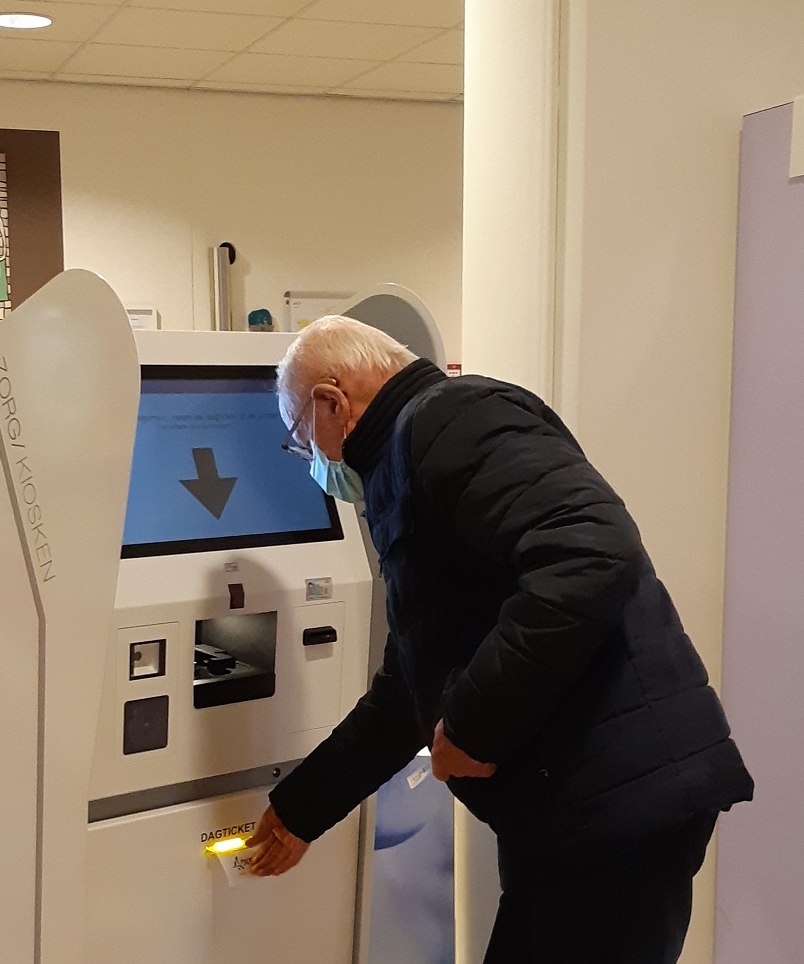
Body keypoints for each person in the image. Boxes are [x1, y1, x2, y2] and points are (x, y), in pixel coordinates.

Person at [248, 316, 754, 964]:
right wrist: (302, 808)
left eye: (301, 440)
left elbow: (590, 553)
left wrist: (472, 727)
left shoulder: (452, 422)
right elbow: (409, 685)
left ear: (331, 401)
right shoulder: (413, 454)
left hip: (613, 804)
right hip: (587, 805)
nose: (313, 459)